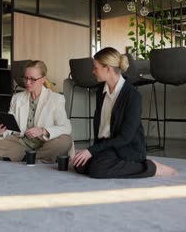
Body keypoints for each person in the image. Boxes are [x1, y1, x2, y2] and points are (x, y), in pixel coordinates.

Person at [73, 47, 177, 178]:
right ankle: (103, 161)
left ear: (108, 69)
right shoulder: (101, 90)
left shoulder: (132, 95)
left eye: (96, 67)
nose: (93, 71)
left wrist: (92, 151)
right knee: (79, 165)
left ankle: (151, 167)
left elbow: (125, 137)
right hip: (107, 146)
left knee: (98, 169)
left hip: (126, 147)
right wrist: (92, 151)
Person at [0, 60, 74, 163]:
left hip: (45, 143)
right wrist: (1, 133)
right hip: (22, 143)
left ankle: (29, 157)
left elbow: (66, 127)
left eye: (32, 79)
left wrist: (43, 131)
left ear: (43, 79)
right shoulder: (17, 98)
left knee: (65, 140)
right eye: (26, 78)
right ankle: (37, 157)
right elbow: (11, 126)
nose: (28, 82)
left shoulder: (56, 99)